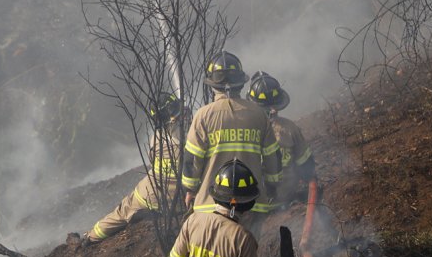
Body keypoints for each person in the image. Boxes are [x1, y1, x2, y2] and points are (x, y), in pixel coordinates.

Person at [181, 52, 282, 218]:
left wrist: (190, 189)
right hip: (252, 205)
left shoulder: (203, 116)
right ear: (241, 84)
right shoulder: (259, 114)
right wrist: (272, 187)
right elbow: (273, 157)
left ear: (212, 85)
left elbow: (192, 160)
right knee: (245, 244)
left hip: (210, 207)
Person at [80, 94, 183, 245]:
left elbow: (153, 161)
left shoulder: (156, 139)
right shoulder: (193, 134)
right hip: (181, 200)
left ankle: (90, 237)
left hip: (151, 195)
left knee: (122, 211)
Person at [245, 71, 316, 206]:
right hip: (284, 199)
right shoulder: (289, 128)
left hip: (254, 204)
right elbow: (307, 166)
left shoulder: (245, 130)